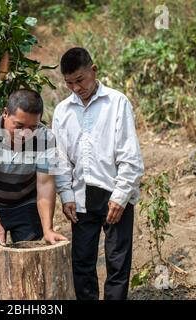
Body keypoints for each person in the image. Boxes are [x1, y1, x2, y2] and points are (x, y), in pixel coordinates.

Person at [52, 47, 144, 300]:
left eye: (80, 80)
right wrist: (66, 195)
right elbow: (60, 159)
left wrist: (121, 194)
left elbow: (130, 155)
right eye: (69, 83)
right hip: (80, 197)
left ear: (94, 71)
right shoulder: (62, 111)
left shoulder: (117, 103)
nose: (76, 88)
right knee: (81, 263)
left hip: (114, 195)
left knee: (117, 264)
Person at [0, 89, 67, 300]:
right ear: (5, 113)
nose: (26, 134)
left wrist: (48, 229)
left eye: (32, 127)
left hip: (26, 204)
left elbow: (45, 183)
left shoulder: (45, 137)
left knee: (32, 267)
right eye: (19, 126)